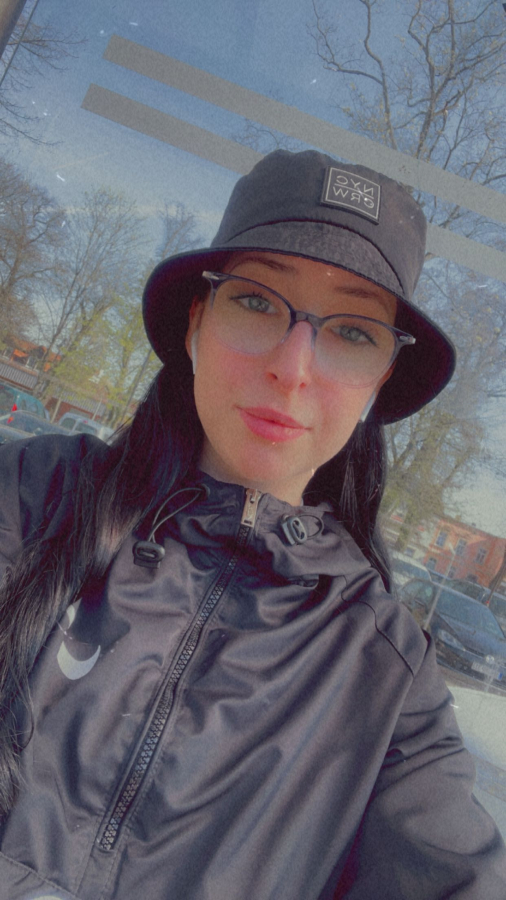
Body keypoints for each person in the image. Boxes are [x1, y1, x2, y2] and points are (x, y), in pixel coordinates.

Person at [0, 149, 504, 900]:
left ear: (379, 380)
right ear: (197, 323)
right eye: (258, 301)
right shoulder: (33, 497)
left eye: (353, 332)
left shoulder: (389, 680)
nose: (292, 368)